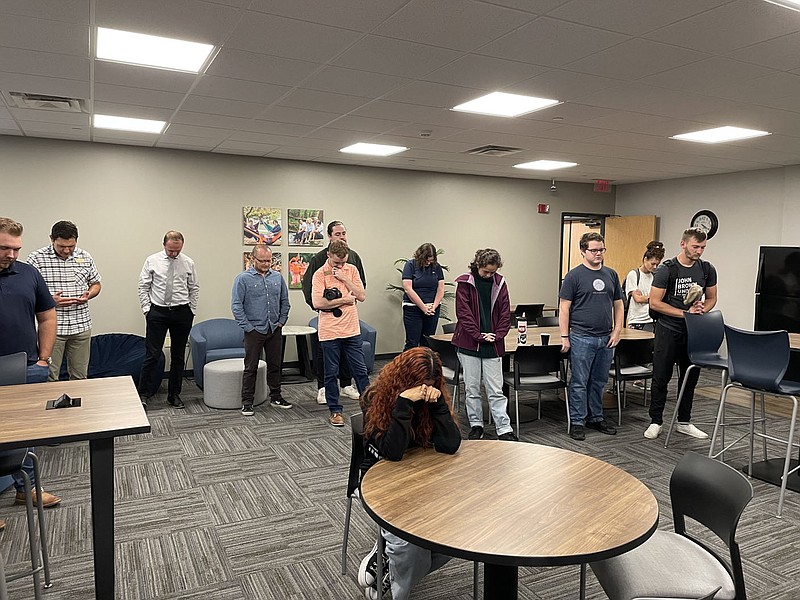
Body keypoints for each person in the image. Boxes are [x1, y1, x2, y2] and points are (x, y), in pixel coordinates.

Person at [357, 347, 461, 600]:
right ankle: (394, 588)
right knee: (411, 548)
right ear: (403, 380)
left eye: (429, 384)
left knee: (453, 539)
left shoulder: (432, 398)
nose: (424, 390)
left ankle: (387, 568)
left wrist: (437, 407)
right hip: (381, 481)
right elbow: (393, 453)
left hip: (423, 480)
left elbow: (450, 445)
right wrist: (403, 403)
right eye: (419, 385)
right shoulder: (375, 398)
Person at [0, 217, 61, 521]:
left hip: (24, 367)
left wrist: (43, 359)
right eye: (4, 248)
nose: (11, 255)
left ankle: (28, 488)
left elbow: (47, 317)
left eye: (16, 249)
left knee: (24, 433)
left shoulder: (29, 274)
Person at [645, 227, 718, 440]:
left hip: (693, 332)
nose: (699, 251)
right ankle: (656, 421)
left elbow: (712, 297)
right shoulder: (667, 269)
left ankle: (684, 421)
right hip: (668, 330)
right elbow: (655, 303)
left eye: (703, 247)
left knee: (689, 377)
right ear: (683, 244)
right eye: (696, 246)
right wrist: (684, 313)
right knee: (661, 377)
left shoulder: (707, 269)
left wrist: (703, 308)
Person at [559, 232, 623, 441]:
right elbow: (564, 307)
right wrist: (564, 336)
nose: (598, 254)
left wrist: (617, 330)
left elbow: (618, 304)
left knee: (599, 381)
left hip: (606, 338)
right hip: (581, 337)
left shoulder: (611, 274)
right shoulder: (574, 276)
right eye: (594, 250)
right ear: (583, 252)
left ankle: (596, 417)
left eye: (601, 249)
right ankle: (578, 421)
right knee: (579, 382)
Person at [452, 248, 517, 441]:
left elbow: (505, 313)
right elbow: (463, 313)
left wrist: (497, 335)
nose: (489, 275)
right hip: (469, 343)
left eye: (492, 272)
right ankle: (476, 425)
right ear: (477, 265)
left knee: (495, 389)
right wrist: (479, 335)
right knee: (472, 388)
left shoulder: (500, 283)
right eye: (485, 272)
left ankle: (504, 428)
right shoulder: (464, 282)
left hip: (494, 344)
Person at [28, 220, 102, 381]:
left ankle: (77, 406)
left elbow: (96, 284)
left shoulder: (85, 256)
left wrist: (88, 294)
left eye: (71, 246)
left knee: (80, 376)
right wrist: (49, 301)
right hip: (53, 328)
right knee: (49, 376)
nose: (67, 250)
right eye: (62, 246)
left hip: (81, 325)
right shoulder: (36, 259)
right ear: (52, 239)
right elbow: (27, 293)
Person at [302, 220, 367, 405]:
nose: (342, 236)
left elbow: (361, 289)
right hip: (328, 319)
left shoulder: (353, 258)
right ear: (330, 238)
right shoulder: (318, 260)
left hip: (349, 320)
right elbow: (309, 289)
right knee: (328, 361)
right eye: (338, 234)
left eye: (344, 233)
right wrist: (324, 306)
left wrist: (349, 289)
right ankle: (323, 389)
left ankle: (347, 385)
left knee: (355, 363)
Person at [137, 230, 199, 409]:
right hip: (158, 312)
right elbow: (143, 286)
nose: (174, 254)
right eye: (171, 250)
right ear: (164, 245)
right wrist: (147, 310)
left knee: (178, 356)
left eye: (177, 250)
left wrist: (191, 310)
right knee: (153, 354)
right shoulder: (152, 260)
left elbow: (194, 288)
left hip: (182, 313)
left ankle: (174, 395)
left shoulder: (188, 262)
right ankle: (144, 394)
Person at [311, 240, 370, 427]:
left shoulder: (351, 270)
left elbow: (361, 296)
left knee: (360, 371)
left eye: (343, 262)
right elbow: (318, 303)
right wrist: (344, 299)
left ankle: (371, 409)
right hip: (330, 331)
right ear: (329, 255)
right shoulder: (320, 274)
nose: (340, 266)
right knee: (331, 373)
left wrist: (344, 278)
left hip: (351, 330)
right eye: (337, 263)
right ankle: (335, 411)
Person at [231, 244, 292, 416]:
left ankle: (276, 397)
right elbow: (236, 305)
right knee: (251, 367)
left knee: (275, 365)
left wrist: (281, 321)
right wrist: (248, 327)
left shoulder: (277, 278)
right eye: (262, 261)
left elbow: (284, 301)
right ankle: (247, 401)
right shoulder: (243, 279)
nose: (266, 264)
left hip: (274, 329)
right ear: (252, 259)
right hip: (254, 330)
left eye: (269, 261)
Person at [401, 242, 445, 350]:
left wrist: (433, 307)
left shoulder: (436, 267)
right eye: (426, 260)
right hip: (413, 308)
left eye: (431, 260)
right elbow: (408, 288)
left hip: (432, 309)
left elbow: (441, 288)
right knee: (412, 342)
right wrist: (423, 307)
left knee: (427, 342)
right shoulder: (410, 265)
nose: (428, 263)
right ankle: (408, 367)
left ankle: (425, 367)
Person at [624, 241, 664, 332]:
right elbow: (638, 299)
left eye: (657, 265)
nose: (655, 267)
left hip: (651, 319)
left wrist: (646, 298)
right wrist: (654, 298)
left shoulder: (654, 277)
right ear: (645, 259)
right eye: (652, 263)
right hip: (637, 320)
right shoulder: (634, 274)